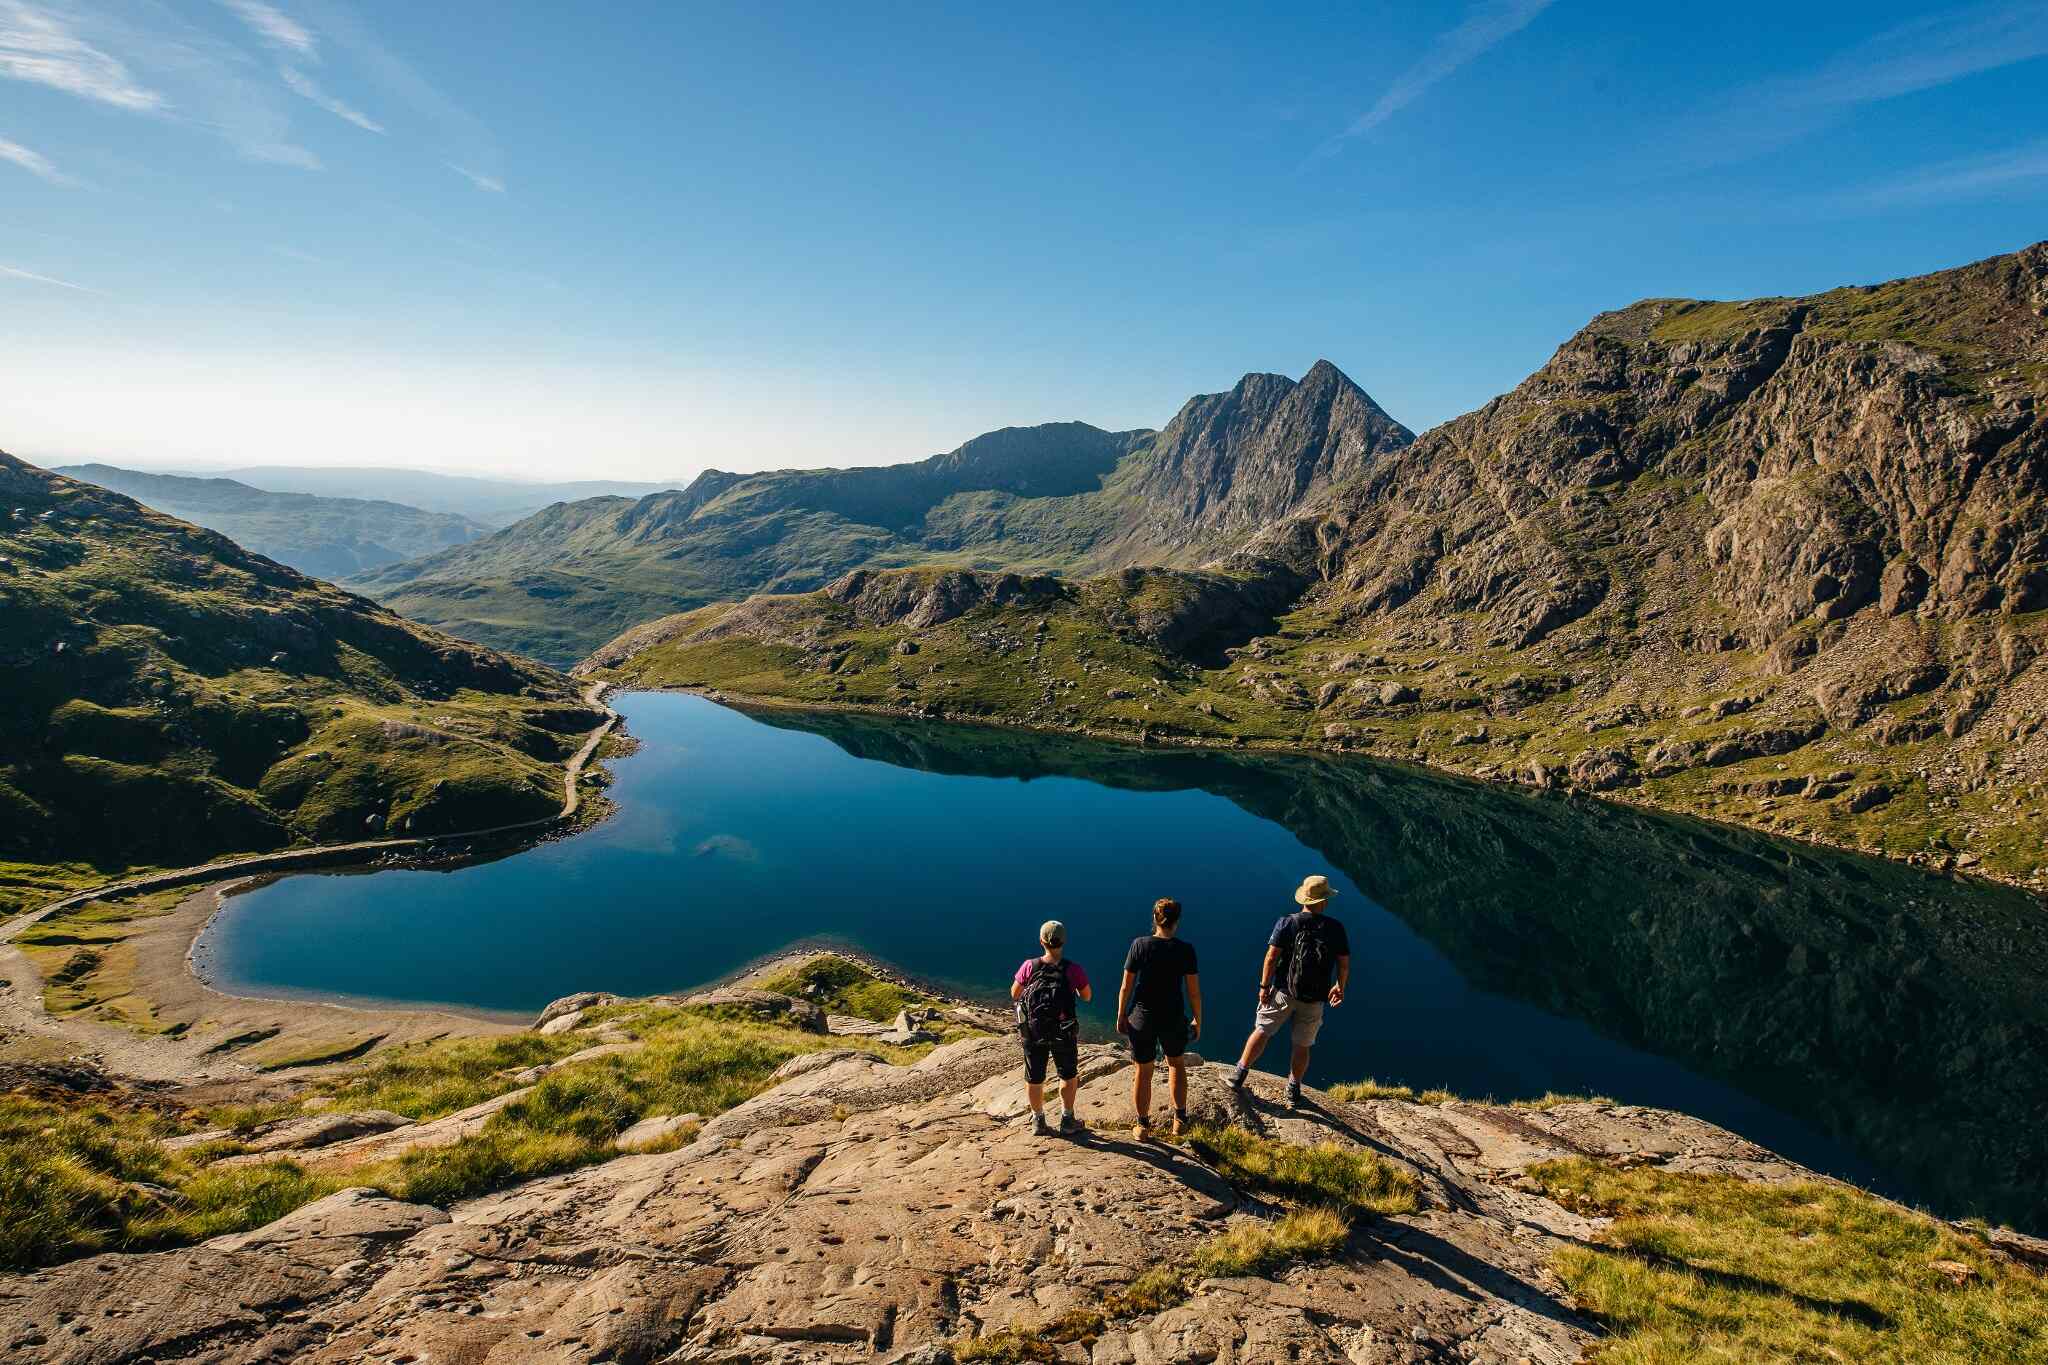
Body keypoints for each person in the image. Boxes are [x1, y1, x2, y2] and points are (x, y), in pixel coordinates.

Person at [1229, 874, 1350, 1108]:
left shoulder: (1288, 922)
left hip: (1284, 990)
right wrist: (1340, 987)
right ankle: (1293, 1088)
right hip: (1315, 998)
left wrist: (1264, 986)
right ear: (1324, 901)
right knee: (1302, 1045)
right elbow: (1344, 963)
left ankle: (1239, 1074)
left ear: (1304, 898)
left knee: (1262, 1030)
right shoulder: (1335, 928)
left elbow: (1271, 957)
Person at [1116, 896, 1203, 1140]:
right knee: (1176, 1064)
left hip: (1142, 1016)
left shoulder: (1139, 945)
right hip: (1173, 1016)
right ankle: (1180, 1121)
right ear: (1177, 922)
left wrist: (1121, 1015)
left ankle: (1142, 1125)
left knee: (1144, 1071)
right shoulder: (1185, 950)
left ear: (1155, 919)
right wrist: (1198, 1019)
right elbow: (1194, 992)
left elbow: (1126, 986)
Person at [1012, 918, 1092, 1136]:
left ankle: (1038, 1120)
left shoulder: (1030, 966)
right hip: (1063, 1032)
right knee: (1067, 1075)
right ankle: (1067, 1119)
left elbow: (1015, 993)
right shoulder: (1073, 969)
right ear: (1064, 942)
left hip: (1033, 1031)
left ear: (1041, 941)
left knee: (1035, 1077)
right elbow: (1086, 996)